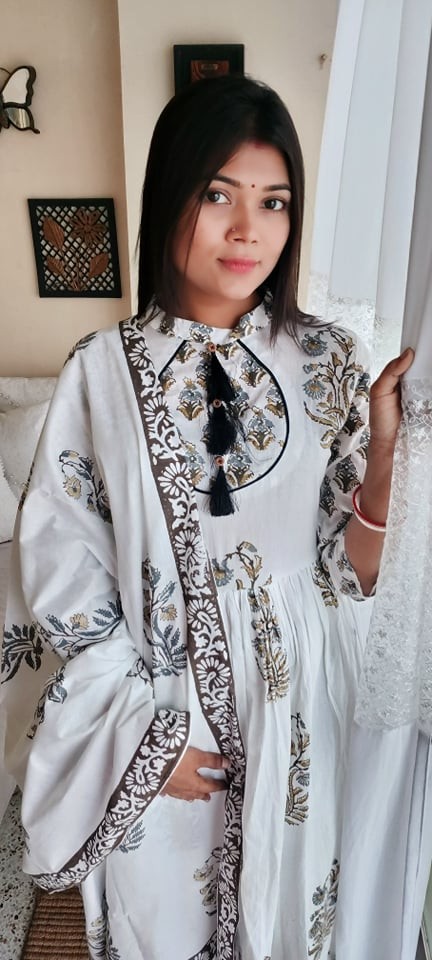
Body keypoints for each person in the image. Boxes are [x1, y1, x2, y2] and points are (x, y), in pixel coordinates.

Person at [0, 74, 416, 960]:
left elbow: (352, 574)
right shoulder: (101, 372)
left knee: (295, 913)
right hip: (163, 702)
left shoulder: (329, 360)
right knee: (167, 920)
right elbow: (69, 578)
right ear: (171, 196)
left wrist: (383, 448)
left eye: (274, 201)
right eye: (218, 194)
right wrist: (144, 742)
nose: (247, 229)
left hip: (304, 700)